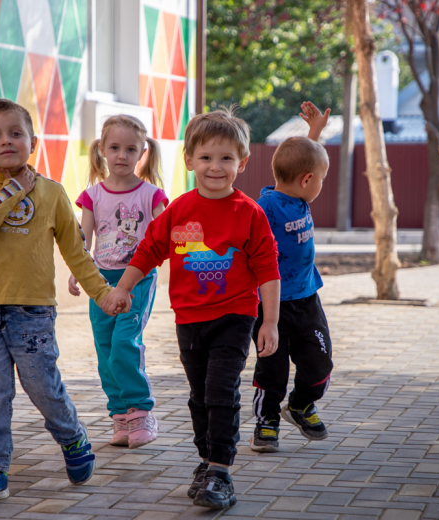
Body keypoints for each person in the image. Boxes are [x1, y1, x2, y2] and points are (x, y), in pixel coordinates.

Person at [100, 108, 281, 510]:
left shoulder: (250, 213)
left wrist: (270, 322)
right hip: (189, 320)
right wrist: (123, 288)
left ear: (242, 162)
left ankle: (220, 470)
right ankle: (206, 460)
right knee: (199, 396)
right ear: (189, 160)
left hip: (235, 317)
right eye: (206, 157)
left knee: (220, 391)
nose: (215, 167)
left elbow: (269, 269)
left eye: (226, 158)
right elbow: (148, 250)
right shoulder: (178, 210)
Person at [0, 98, 129, 504]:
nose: (6, 141)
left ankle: (72, 436)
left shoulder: (53, 193)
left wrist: (104, 293)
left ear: (33, 142)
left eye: (15, 133)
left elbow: (77, 253)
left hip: (33, 313)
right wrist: (15, 190)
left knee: (42, 387)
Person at [68, 115, 168, 448]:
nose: (121, 155)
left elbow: (165, 237)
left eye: (130, 149)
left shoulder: (152, 196)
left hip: (137, 279)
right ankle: (121, 416)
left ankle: (141, 411)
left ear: (142, 152)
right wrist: (77, 270)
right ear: (102, 150)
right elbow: (82, 240)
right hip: (100, 282)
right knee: (106, 350)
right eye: (114, 148)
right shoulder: (92, 195)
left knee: (125, 343)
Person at [249, 102, 334, 453]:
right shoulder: (266, 207)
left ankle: (299, 405)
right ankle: (267, 420)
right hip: (270, 305)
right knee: (273, 369)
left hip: (307, 298)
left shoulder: (300, 195)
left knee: (319, 363)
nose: (321, 185)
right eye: (321, 180)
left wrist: (314, 132)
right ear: (307, 181)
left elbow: (304, 162)